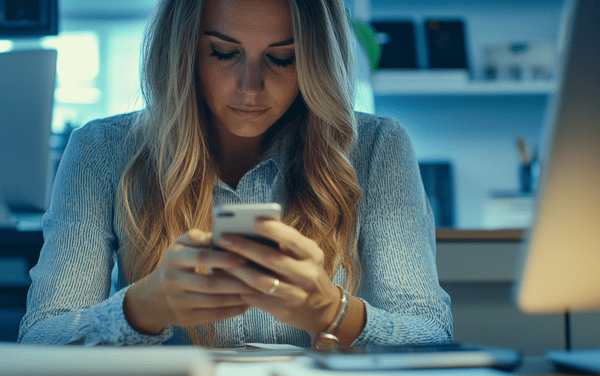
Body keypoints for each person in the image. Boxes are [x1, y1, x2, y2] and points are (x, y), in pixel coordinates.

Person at [19, 0, 452, 347]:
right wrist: (144, 307)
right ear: (184, 50)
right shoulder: (102, 150)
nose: (250, 86)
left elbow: (433, 338)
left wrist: (332, 312)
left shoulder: (377, 148)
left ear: (315, 61)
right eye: (224, 53)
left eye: (282, 59)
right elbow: (41, 339)